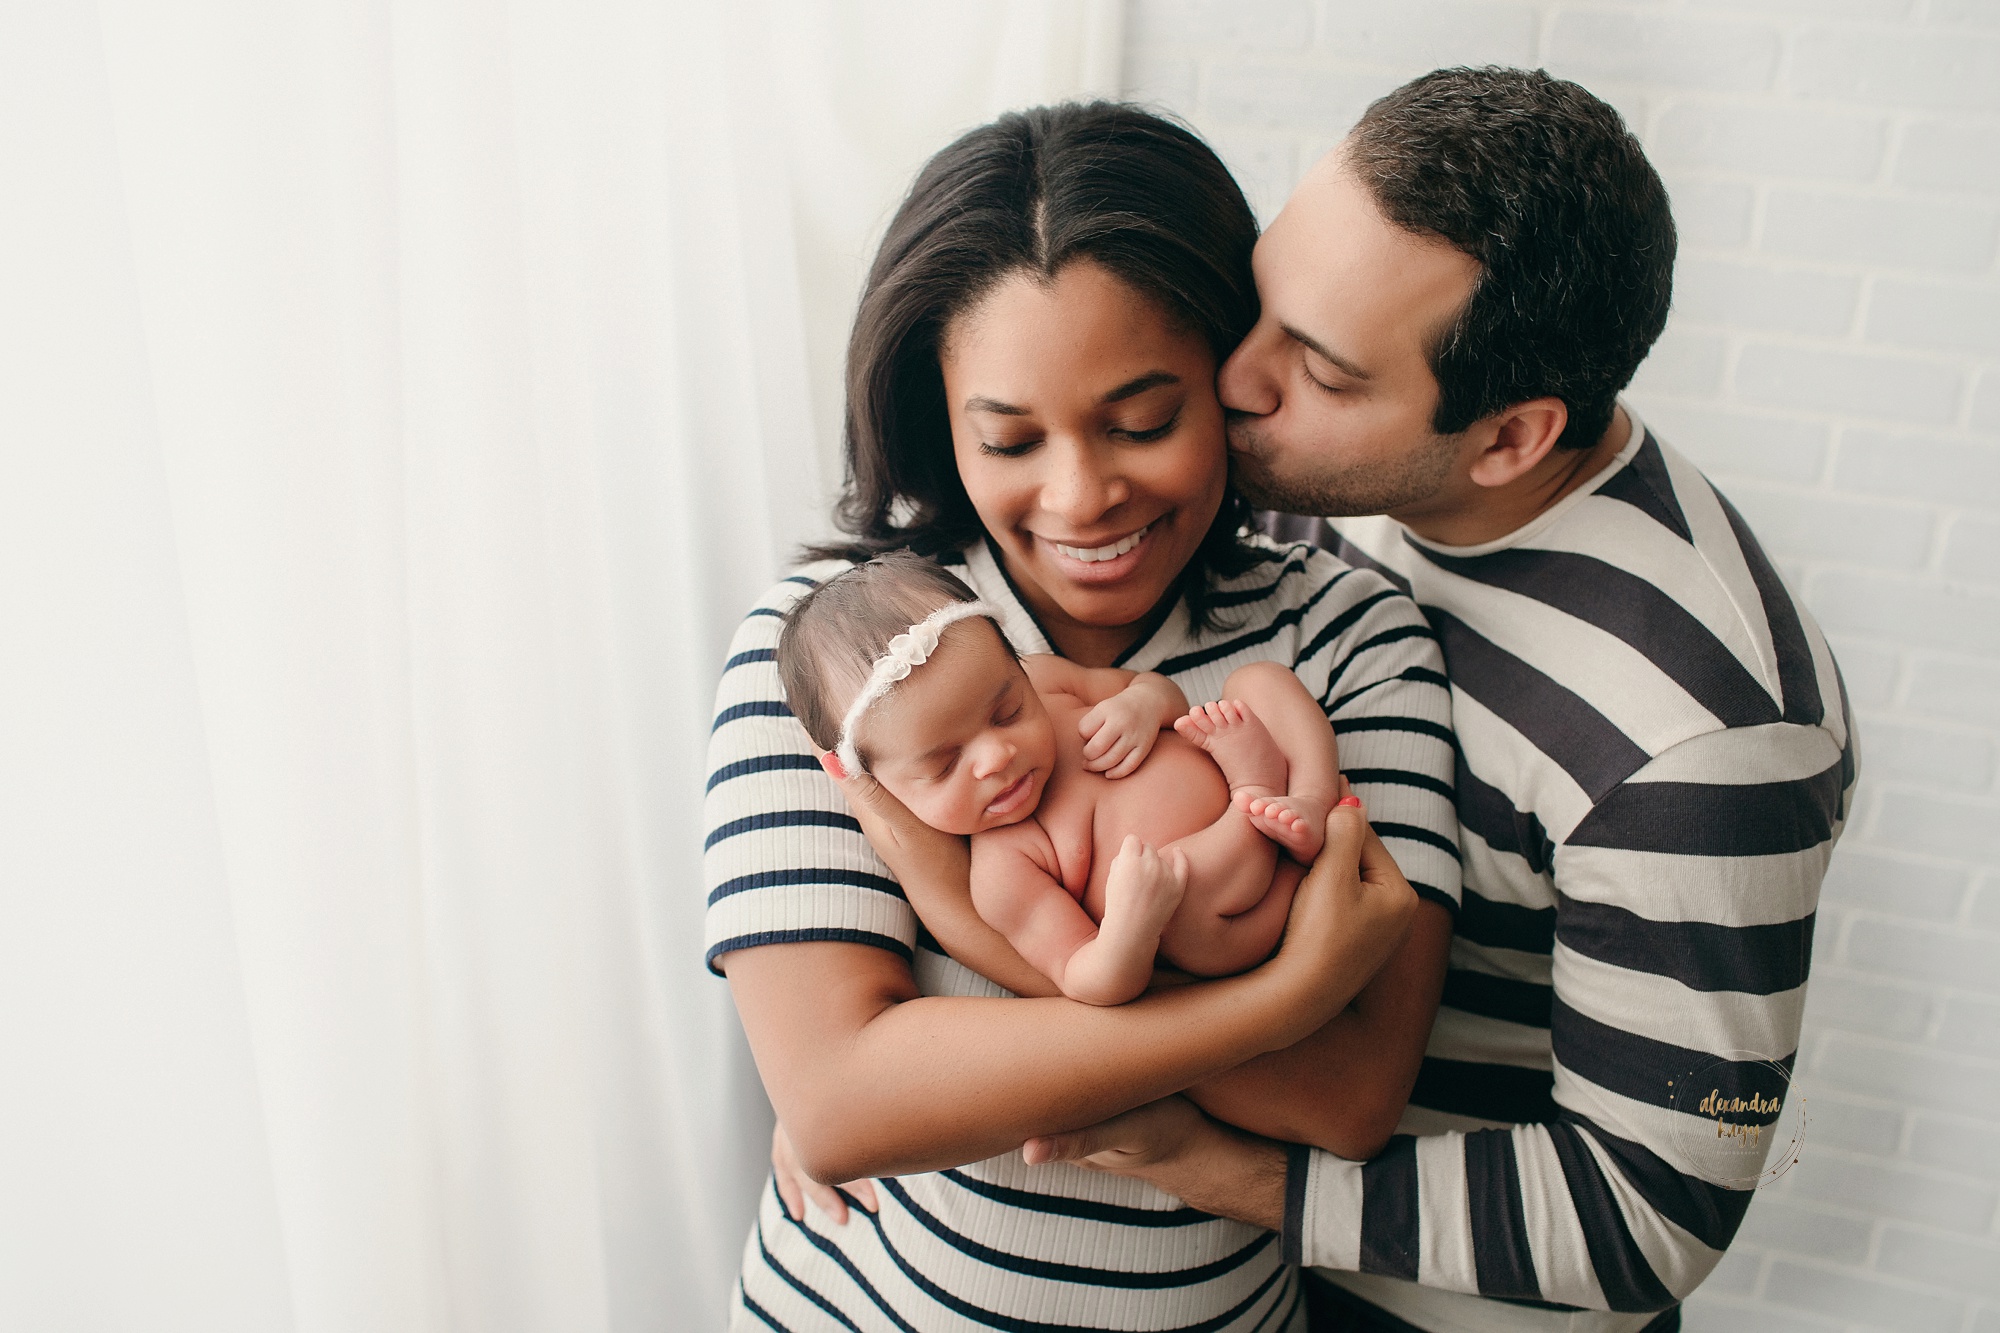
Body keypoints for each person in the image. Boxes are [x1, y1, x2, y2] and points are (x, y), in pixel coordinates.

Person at [1022, 68, 1855, 1333]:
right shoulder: (1324, 462)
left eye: (1320, 368)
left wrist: (1204, 1161)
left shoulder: (1703, 736)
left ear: (1510, 438)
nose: (1234, 381)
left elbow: (1645, 1216)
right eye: (1264, 299)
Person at [703, 102, 1463, 1330]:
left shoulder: (1350, 638)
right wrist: (1276, 1000)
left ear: (1232, 378)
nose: (1079, 497)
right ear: (939, 423)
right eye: (1007, 439)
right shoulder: (838, 656)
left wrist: (950, 927)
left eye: (1143, 422)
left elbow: (1347, 1094)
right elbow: (846, 1107)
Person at [774, 551, 1343, 1003]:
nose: (996, 756)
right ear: (871, 782)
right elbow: (1082, 976)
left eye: (1007, 711)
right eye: (945, 765)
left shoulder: (1049, 682)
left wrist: (1142, 703)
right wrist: (1128, 928)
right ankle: (1254, 796)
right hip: (1231, 912)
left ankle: (1310, 800)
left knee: (1260, 680)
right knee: (1179, 897)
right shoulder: (1004, 872)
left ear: (1015, 665)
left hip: (1283, 821)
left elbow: (1158, 690)